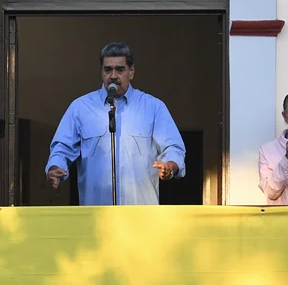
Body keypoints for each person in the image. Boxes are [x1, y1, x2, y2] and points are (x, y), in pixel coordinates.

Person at [45, 42, 186, 205]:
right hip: (97, 215)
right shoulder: (81, 108)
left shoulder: (153, 107)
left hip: (141, 215)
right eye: (107, 70)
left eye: (120, 70)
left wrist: (170, 165)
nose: (113, 76)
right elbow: (62, 147)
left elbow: (173, 147)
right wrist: (55, 167)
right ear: (101, 72)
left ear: (131, 72)